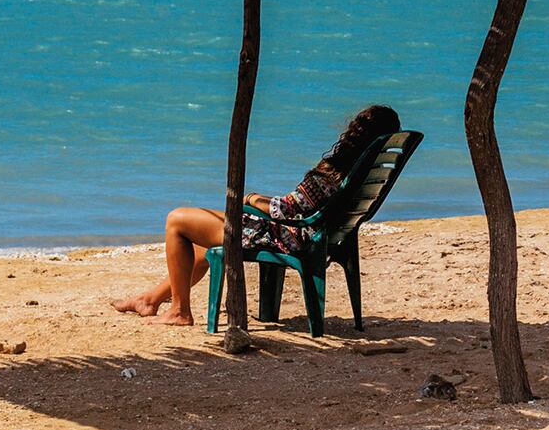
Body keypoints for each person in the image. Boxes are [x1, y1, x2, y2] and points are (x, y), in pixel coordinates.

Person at [113, 104, 399, 326]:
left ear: (353, 135)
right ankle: (150, 300)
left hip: (287, 238)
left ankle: (178, 311)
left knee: (176, 220)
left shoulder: (332, 175)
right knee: (201, 243)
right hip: (309, 235)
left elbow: (287, 209)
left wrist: (251, 198)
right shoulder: (359, 173)